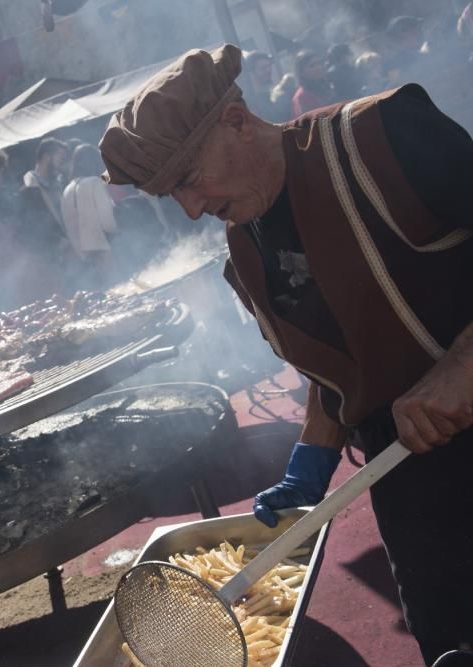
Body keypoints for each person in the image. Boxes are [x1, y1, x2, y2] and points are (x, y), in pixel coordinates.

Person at [99, 44, 473, 665]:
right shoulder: (243, 250)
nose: (192, 209)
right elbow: (337, 361)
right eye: (172, 197)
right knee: (446, 639)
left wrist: (462, 366)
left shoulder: (382, 135)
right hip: (405, 469)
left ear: (238, 122)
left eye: (190, 180)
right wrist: (313, 456)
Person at [60, 145, 118, 287]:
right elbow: (106, 220)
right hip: (102, 248)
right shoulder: (94, 183)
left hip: (82, 254)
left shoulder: (67, 189)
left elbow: (68, 225)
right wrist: (118, 231)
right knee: (116, 287)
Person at [20, 138, 72, 258]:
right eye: (60, 160)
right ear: (46, 158)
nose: (61, 167)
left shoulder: (57, 187)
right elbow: (31, 230)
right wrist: (59, 242)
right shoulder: (28, 191)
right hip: (48, 259)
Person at [291, 49, 334, 116]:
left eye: (319, 63)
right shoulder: (302, 96)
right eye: (312, 66)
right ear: (301, 72)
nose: (318, 67)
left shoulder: (325, 85)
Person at [241, 51, 280, 121]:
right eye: (263, 68)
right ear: (251, 73)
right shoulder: (249, 102)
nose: (269, 70)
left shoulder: (275, 93)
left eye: (269, 66)